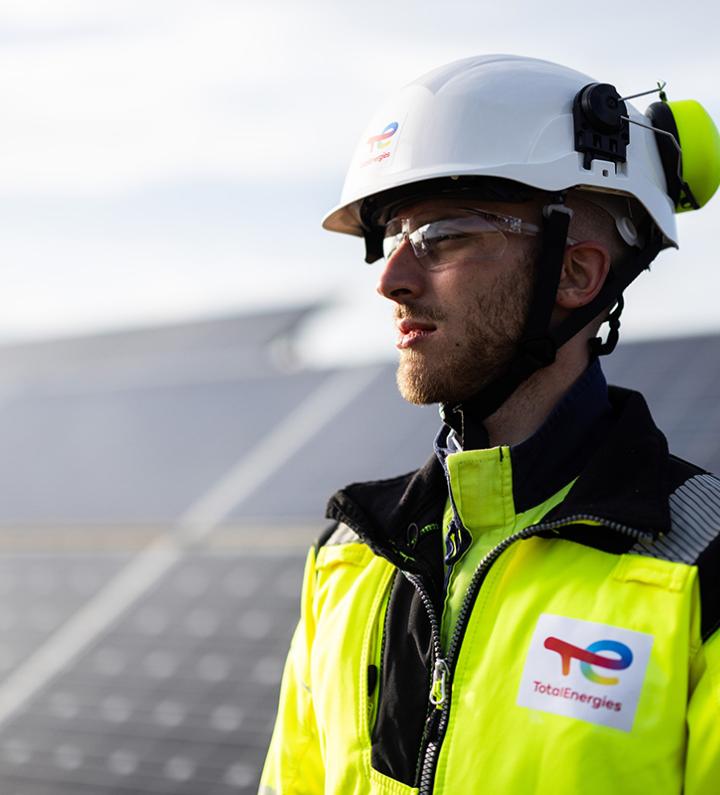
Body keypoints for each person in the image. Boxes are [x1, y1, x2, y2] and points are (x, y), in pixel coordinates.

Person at [260, 55, 720, 794]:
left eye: (441, 235)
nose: (390, 280)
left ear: (576, 274)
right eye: (395, 236)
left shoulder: (704, 574)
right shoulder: (349, 559)